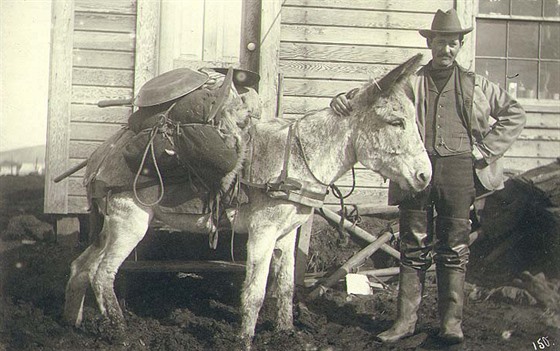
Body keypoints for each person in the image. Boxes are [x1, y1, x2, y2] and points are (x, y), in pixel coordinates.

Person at [330, 9, 526, 345]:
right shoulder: (412, 83)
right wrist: (344, 99)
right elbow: (373, 93)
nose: (445, 49)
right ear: (430, 43)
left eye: (452, 43)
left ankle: (451, 324)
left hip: (459, 173)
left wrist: (485, 151)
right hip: (415, 173)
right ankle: (405, 323)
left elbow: (514, 113)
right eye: (440, 42)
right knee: (413, 246)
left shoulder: (476, 85)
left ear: (460, 46)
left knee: (454, 248)